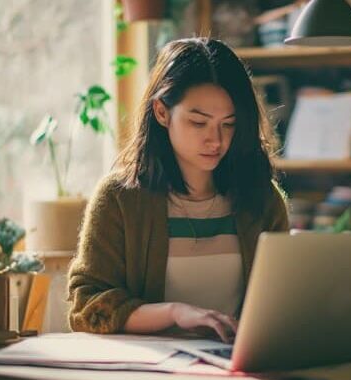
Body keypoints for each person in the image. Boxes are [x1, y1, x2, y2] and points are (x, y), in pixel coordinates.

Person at [67, 38, 289, 343]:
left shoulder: (261, 199)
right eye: (199, 123)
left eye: (228, 124)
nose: (216, 140)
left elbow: (282, 302)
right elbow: (87, 307)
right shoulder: (119, 199)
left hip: (237, 366)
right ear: (161, 112)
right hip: (153, 374)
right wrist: (173, 313)